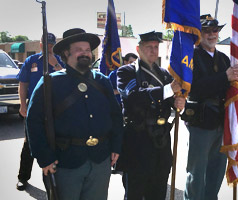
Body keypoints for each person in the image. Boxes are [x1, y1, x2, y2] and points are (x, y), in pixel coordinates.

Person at [26, 28, 123, 200]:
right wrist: (44, 157)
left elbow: (116, 115)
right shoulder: (50, 82)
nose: (85, 54)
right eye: (79, 50)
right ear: (66, 53)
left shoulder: (102, 81)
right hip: (65, 162)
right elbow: (34, 122)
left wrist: (116, 146)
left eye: (87, 50)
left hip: (100, 159)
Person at [117, 31, 185, 200]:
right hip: (137, 140)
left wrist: (179, 103)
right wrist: (168, 90)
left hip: (161, 140)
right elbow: (133, 96)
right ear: (138, 49)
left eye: (156, 47)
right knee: (135, 192)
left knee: (158, 190)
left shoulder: (165, 74)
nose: (153, 51)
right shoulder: (126, 72)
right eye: (149, 47)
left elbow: (172, 100)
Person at [182, 14, 238, 200]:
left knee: (216, 173)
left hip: (222, 123)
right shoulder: (191, 57)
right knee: (196, 174)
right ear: (199, 34)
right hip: (201, 122)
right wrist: (225, 77)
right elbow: (195, 88)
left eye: (214, 30)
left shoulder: (225, 59)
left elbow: (231, 91)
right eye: (206, 31)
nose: (211, 34)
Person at [16, 32, 64, 191]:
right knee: (29, 142)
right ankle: (23, 177)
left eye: (52, 45)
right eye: (46, 44)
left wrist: (55, 64)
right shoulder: (31, 61)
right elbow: (23, 83)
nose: (49, 48)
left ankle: (53, 177)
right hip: (34, 107)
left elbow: (67, 80)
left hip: (56, 107)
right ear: (41, 44)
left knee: (55, 141)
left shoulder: (60, 60)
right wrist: (23, 104)